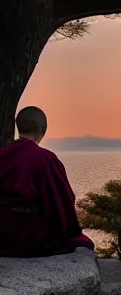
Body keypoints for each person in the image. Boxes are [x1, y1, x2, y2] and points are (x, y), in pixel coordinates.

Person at [0, 106, 94, 257]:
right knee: (84, 243)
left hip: (2, 235)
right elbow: (62, 200)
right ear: (43, 129)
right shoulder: (45, 159)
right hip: (31, 237)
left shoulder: (3, 155)